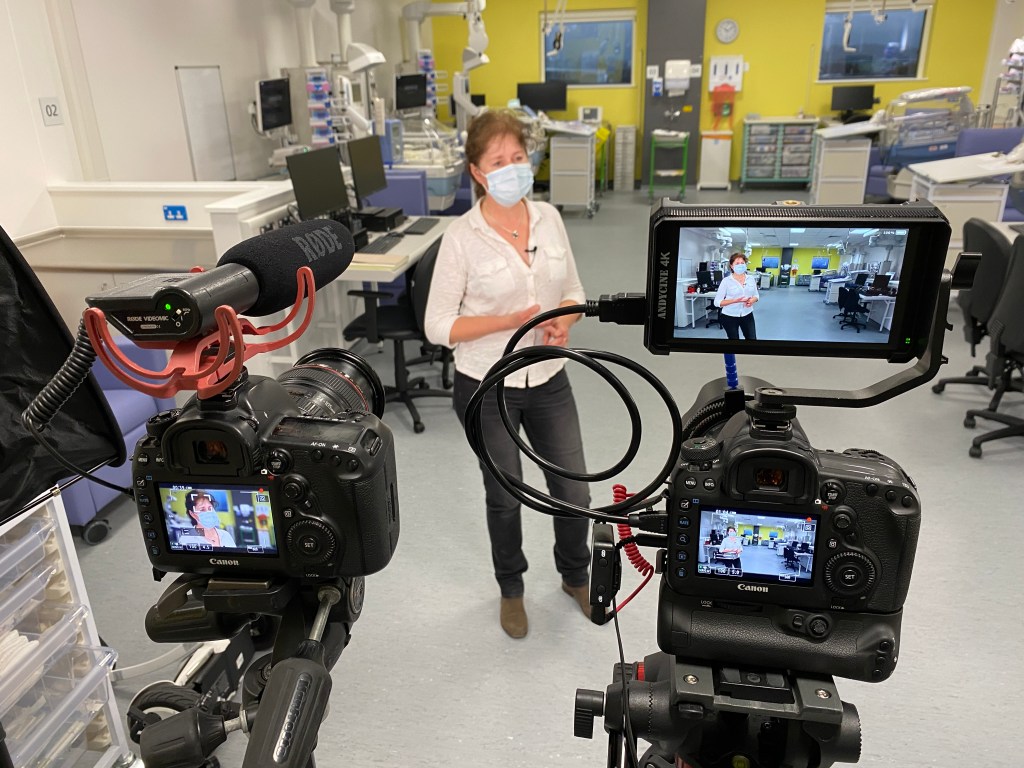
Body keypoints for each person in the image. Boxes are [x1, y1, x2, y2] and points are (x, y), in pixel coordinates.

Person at [424, 109, 591, 640]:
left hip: (548, 376)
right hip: (486, 384)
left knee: (574, 491)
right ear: (477, 172)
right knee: (505, 494)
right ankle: (511, 588)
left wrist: (563, 321)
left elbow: (574, 291)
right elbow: (438, 325)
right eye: (498, 161)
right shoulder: (461, 237)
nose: (512, 167)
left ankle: (576, 575)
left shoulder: (549, 218)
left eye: (518, 156)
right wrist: (509, 322)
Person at [714, 253, 760, 340]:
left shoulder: (751, 279)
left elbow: (756, 295)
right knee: (734, 340)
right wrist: (735, 301)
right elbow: (717, 302)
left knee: (752, 339)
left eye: (742, 263)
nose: (740, 265)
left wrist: (752, 300)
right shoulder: (726, 281)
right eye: (737, 263)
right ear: (732, 266)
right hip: (730, 316)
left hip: (747, 314)